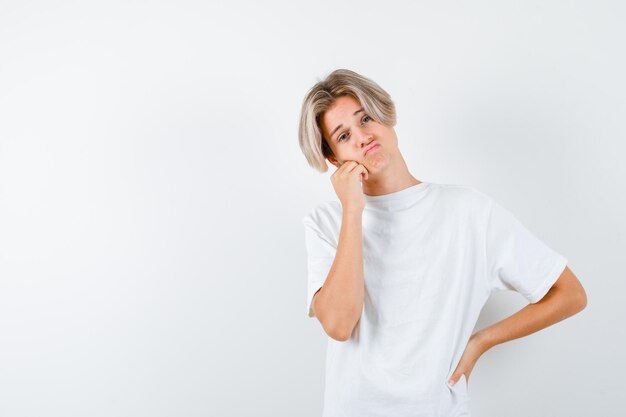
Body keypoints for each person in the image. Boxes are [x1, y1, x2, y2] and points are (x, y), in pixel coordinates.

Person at [298, 68, 588, 417]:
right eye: (344, 136)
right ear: (334, 159)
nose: (362, 136)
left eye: (366, 118)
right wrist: (353, 210)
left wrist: (481, 341)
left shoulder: (469, 212)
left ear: (386, 117)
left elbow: (569, 294)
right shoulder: (326, 222)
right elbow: (339, 325)